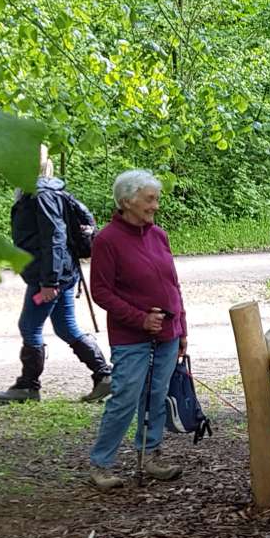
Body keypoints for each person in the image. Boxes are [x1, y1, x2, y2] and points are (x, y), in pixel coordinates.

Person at [85, 170, 187, 489]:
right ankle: (101, 464)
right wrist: (139, 318)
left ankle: (151, 454)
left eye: (156, 199)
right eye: (150, 199)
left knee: (157, 395)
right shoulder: (107, 240)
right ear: (127, 201)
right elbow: (101, 292)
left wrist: (182, 328)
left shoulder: (159, 235)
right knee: (126, 397)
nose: (156, 205)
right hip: (131, 336)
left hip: (168, 333)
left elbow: (173, 285)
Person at [0, 145, 112, 403]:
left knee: (29, 326)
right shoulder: (43, 191)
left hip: (50, 275)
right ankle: (104, 375)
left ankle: (28, 386)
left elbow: (54, 238)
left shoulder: (41, 195)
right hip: (62, 272)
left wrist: (49, 281)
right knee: (66, 326)